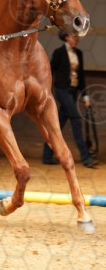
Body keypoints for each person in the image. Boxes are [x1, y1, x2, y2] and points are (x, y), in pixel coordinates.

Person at [43, 29, 97, 168]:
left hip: (73, 92)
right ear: (66, 37)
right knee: (76, 120)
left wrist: (86, 96)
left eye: (77, 38)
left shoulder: (79, 53)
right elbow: (50, 71)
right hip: (62, 91)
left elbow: (81, 77)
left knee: (58, 124)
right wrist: (46, 90)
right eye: (74, 37)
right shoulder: (59, 52)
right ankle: (86, 157)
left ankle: (47, 155)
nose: (76, 40)